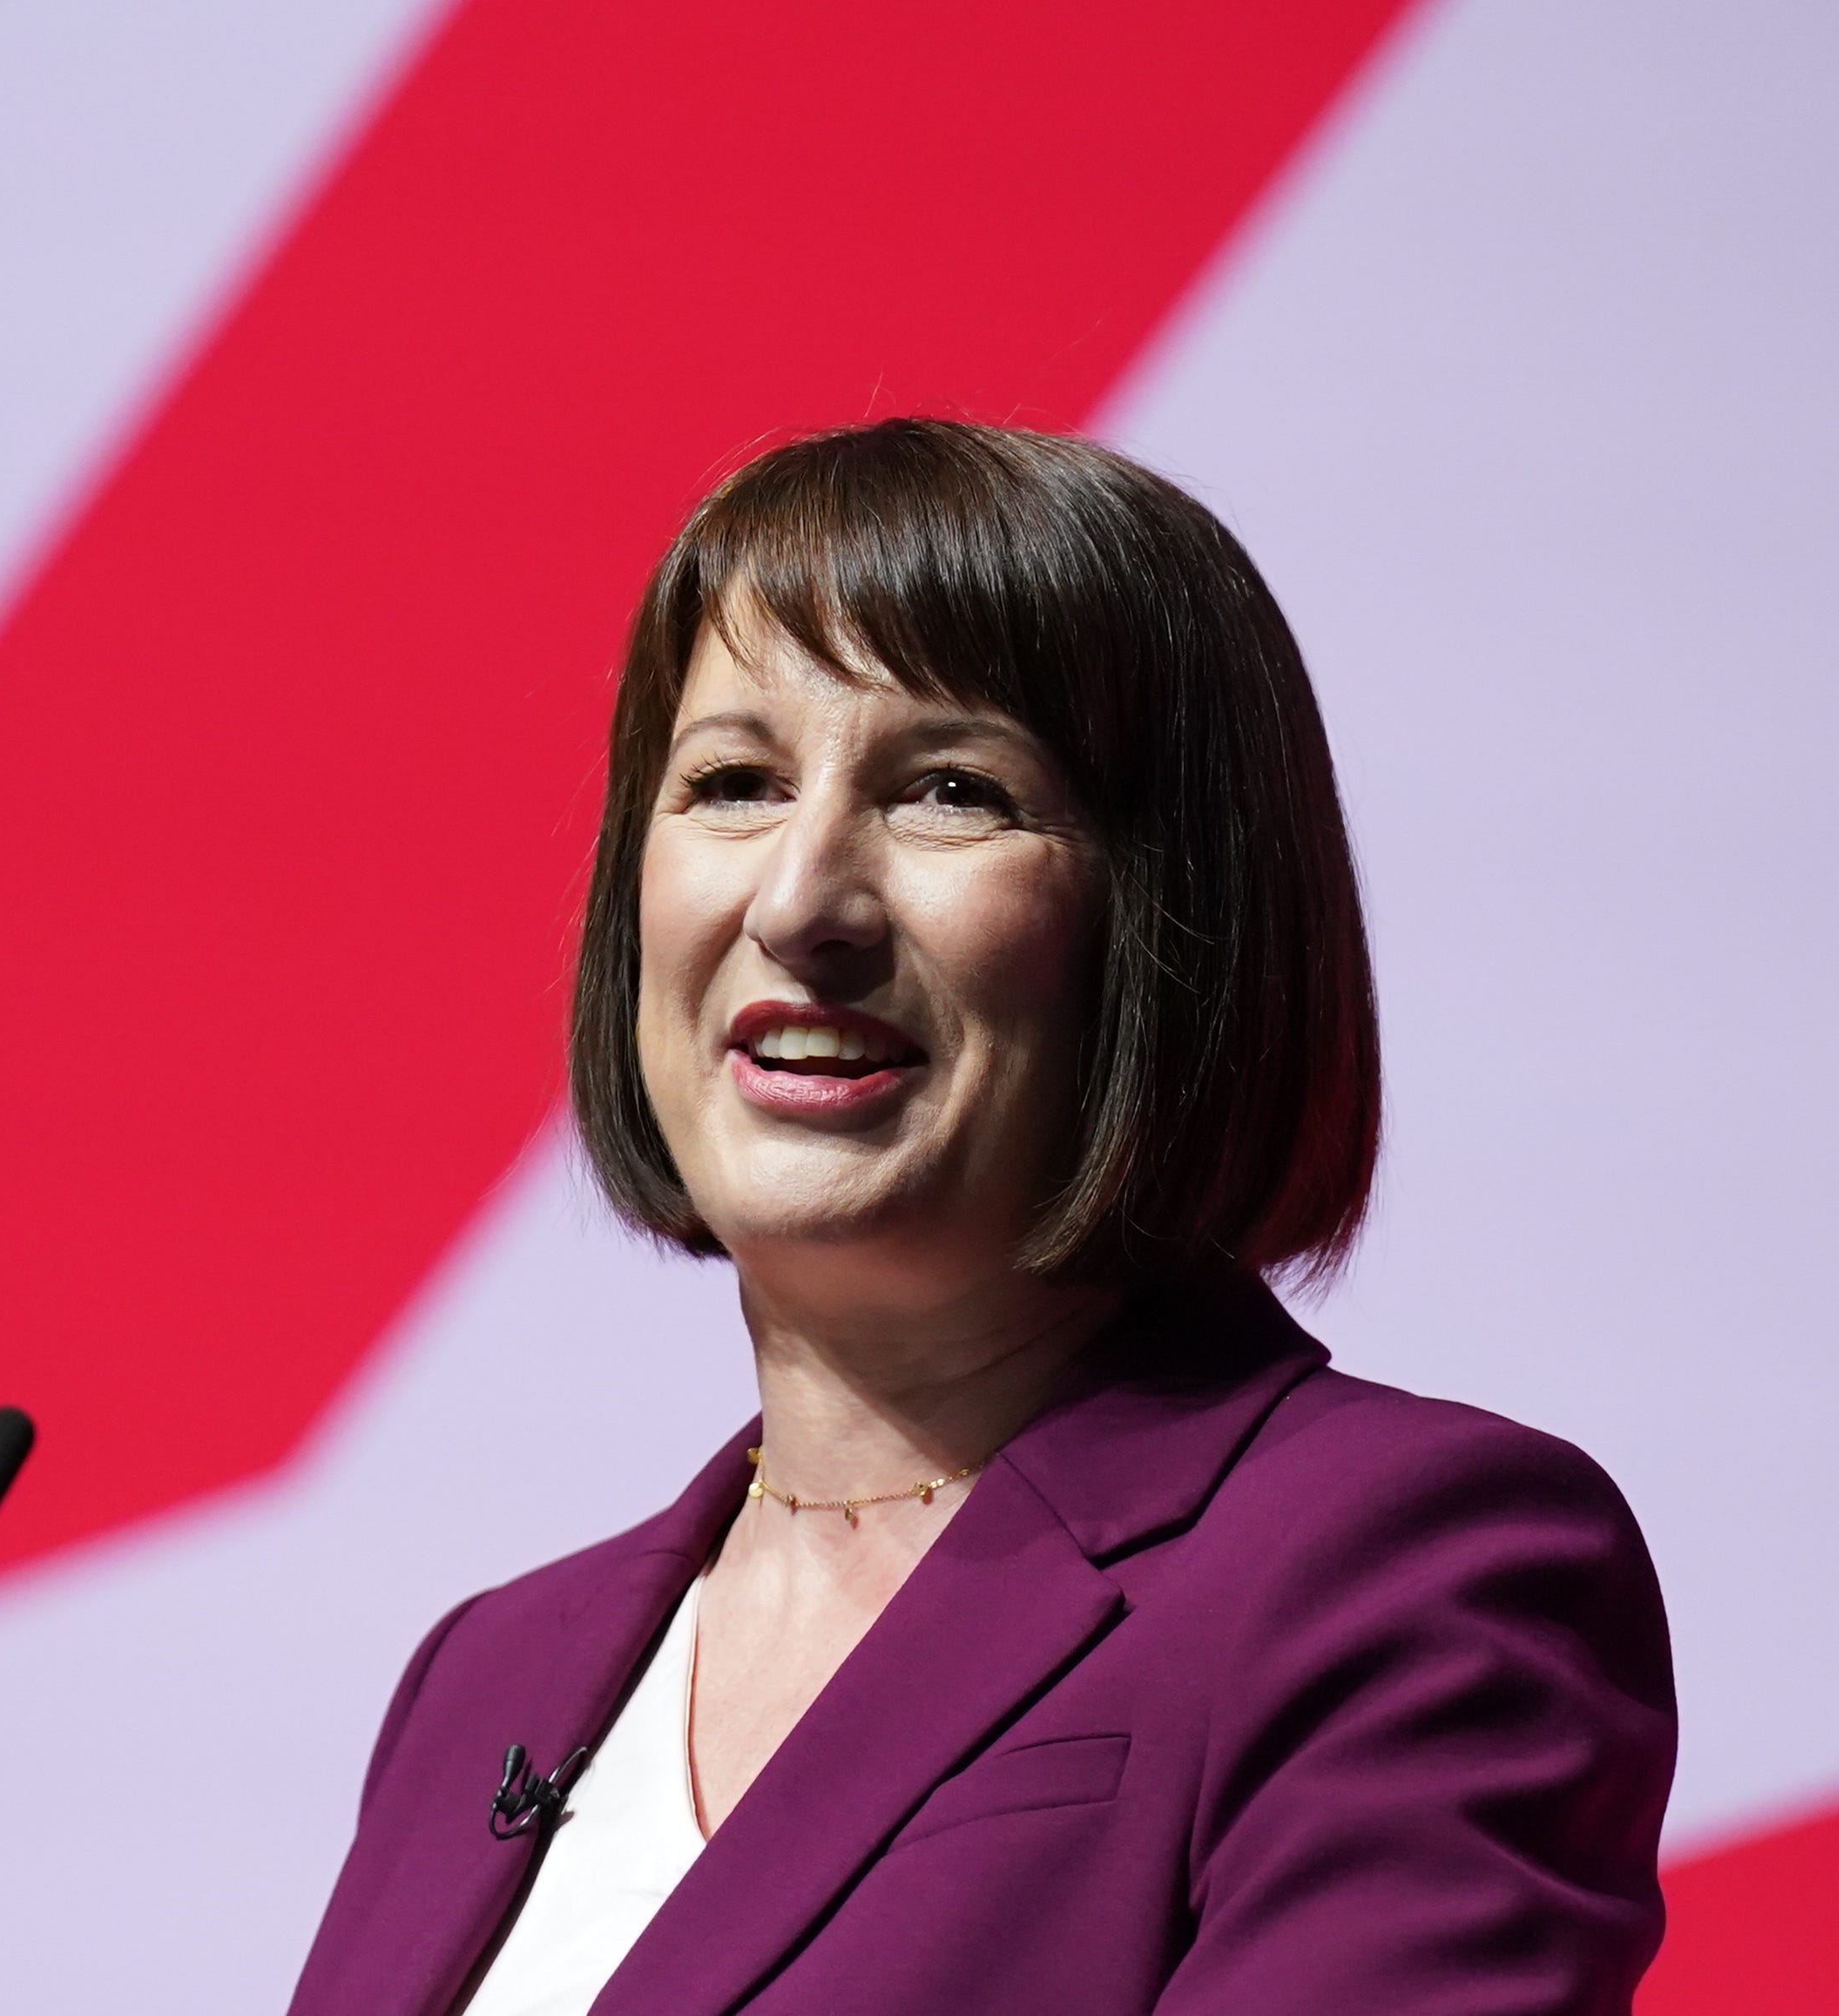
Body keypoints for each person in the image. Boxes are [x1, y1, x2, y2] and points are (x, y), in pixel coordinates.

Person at [287, 419, 1674, 2016]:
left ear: (1172, 919)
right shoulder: (489, 1679)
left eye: (953, 791)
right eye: (731, 782)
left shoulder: (1400, 1570)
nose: (801, 900)